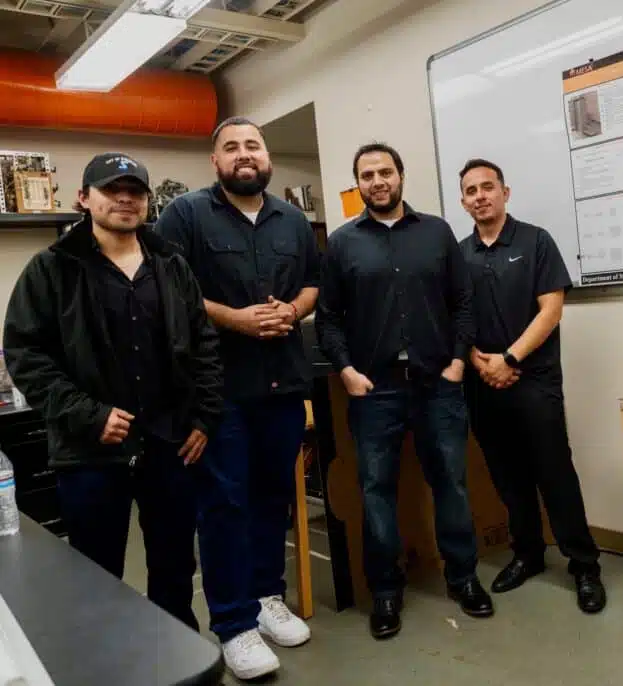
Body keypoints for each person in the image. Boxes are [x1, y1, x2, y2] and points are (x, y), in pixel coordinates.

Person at [2, 153, 223, 631]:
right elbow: (24, 354)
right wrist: (87, 414)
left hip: (170, 447)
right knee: (96, 576)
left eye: (136, 191)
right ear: (84, 198)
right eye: (111, 189)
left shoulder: (171, 264)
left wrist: (204, 418)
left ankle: (179, 663)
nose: (125, 198)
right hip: (90, 453)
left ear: (146, 203)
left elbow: (204, 343)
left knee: (174, 570)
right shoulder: (52, 269)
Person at [155, 117, 320, 681]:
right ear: (215, 161)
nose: (243, 155)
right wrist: (235, 320)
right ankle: (233, 624)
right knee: (224, 505)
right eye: (231, 147)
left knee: (273, 498)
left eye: (252, 145)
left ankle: (267, 599)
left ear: (266, 156)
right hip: (217, 390)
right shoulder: (186, 216)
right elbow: (171, 291)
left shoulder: (293, 219)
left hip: (282, 383)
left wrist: (292, 311)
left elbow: (313, 284)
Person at [315, 142, 493, 640]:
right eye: (367, 175)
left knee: (452, 485)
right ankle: (386, 593)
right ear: (358, 184)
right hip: (375, 390)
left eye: (385, 172)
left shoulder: (436, 233)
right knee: (376, 492)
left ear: (400, 176)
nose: (378, 181)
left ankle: (463, 578)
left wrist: (458, 362)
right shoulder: (343, 244)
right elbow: (329, 319)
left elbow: (463, 303)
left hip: (439, 384)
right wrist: (347, 370)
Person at [457, 158, 606, 614]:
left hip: (532, 379)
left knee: (554, 473)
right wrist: (476, 360)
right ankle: (528, 554)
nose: (480, 195)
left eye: (488, 187)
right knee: (507, 477)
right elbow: (453, 317)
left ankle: (584, 565)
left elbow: (551, 309)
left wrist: (509, 358)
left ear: (505, 191)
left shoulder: (536, 241)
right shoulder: (458, 254)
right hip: (483, 383)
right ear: (463, 201)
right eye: (471, 190)